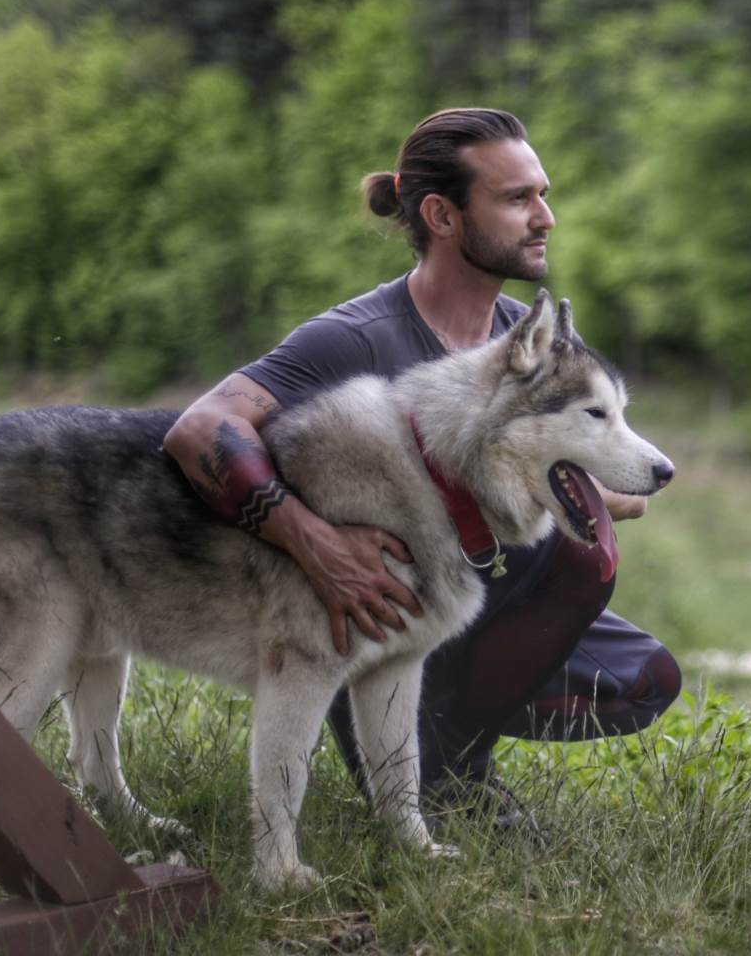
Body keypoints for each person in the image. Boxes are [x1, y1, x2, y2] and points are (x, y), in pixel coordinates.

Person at [162, 107, 681, 822]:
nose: (545, 217)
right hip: (372, 615)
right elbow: (201, 429)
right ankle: (439, 779)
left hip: (474, 596)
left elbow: (624, 485)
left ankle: (450, 751)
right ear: (441, 214)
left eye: (543, 194)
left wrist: (521, 478)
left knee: (639, 676)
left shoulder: (532, 340)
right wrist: (315, 543)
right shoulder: (353, 341)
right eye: (517, 198)